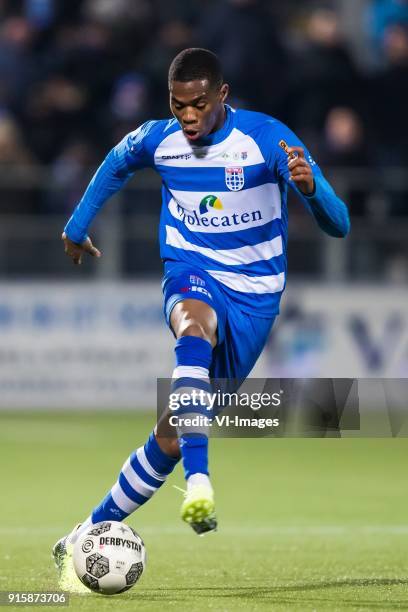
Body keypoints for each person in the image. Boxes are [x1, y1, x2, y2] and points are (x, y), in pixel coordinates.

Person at [53, 47, 350, 591]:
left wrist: (310, 190)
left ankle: (89, 531)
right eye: (177, 104)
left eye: (197, 105)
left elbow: (340, 225)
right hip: (191, 272)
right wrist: (77, 224)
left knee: (170, 435)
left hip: (255, 301)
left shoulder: (265, 139)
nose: (186, 117)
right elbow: (115, 163)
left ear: (222, 97)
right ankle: (200, 483)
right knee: (192, 325)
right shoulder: (158, 138)